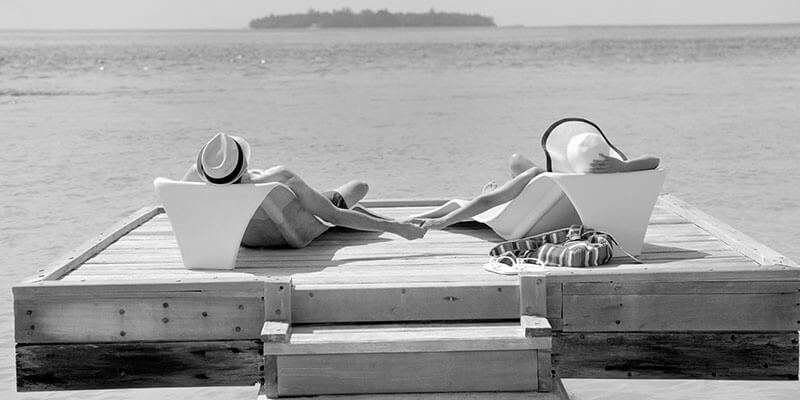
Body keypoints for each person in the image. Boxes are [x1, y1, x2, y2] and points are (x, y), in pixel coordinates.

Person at [183, 132, 426, 247]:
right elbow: (332, 215)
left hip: (248, 239)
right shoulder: (277, 177)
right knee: (359, 187)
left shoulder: (194, 182)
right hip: (303, 226)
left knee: (324, 198)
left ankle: (354, 212)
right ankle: (366, 215)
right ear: (244, 163)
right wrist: (396, 228)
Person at [412, 120, 660, 230]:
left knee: (518, 175)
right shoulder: (620, 173)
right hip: (572, 206)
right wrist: (620, 167)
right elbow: (654, 161)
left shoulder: (546, 178)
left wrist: (441, 221)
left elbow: (487, 203)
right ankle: (509, 189)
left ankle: (507, 192)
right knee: (517, 160)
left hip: (539, 216)